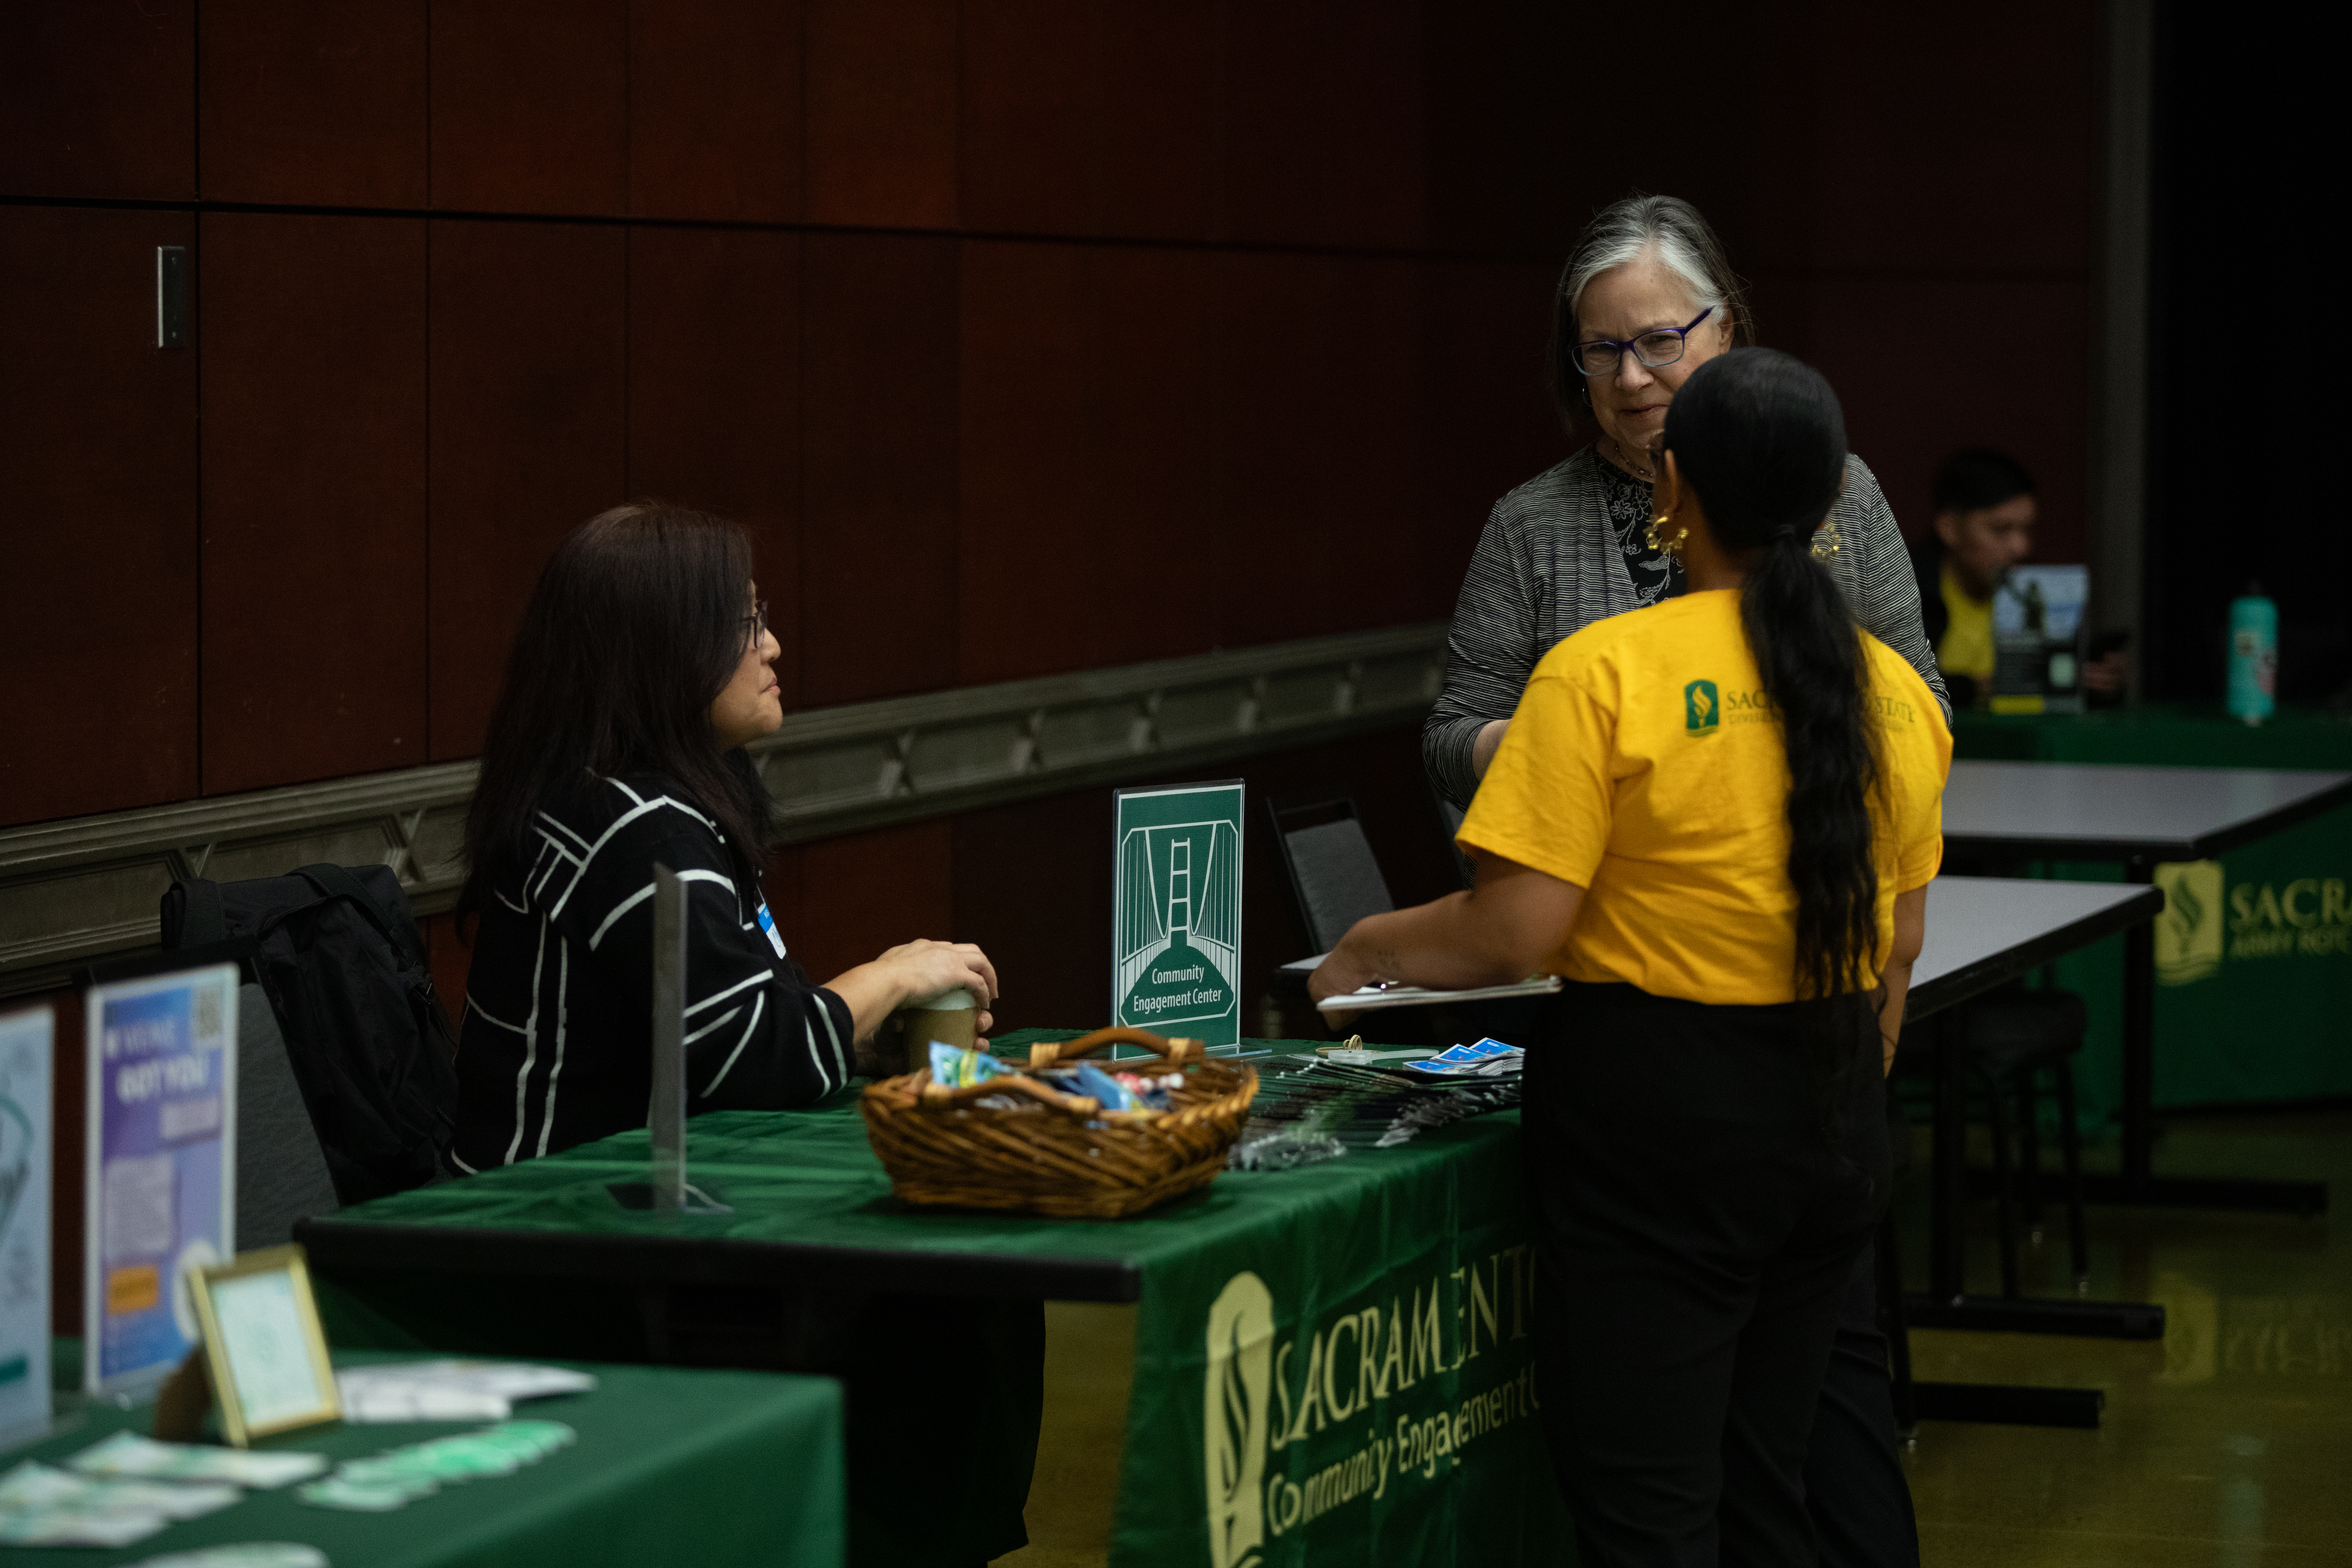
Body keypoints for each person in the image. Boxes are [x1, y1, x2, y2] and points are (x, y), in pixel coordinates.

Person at [1324, 349, 1949, 1564]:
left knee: (1647, 1511)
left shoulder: (1605, 672)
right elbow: (1898, 942)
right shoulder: (1893, 693)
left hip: (1661, 1128)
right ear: (1827, 508)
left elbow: (1512, 929)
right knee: (1769, 1490)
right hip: (1834, 1124)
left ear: (1673, 490)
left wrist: (1365, 950)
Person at [451, 502, 1002, 1169]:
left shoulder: (661, 791)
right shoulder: (633, 825)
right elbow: (748, 1055)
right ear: (664, 650)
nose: (771, 644)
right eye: (744, 624)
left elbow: (730, 1028)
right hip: (539, 1216)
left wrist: (862, 1043)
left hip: (633, 1187)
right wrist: (890, 977)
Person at [1913, 447, 2124, 706]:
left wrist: (2096, 684)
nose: (2020, 547)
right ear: (1950, 529)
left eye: (2027, 530)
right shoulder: (1901, 595)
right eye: (2001, 530)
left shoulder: (2035, 594)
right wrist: (1981, 688)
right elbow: (1896, 688)